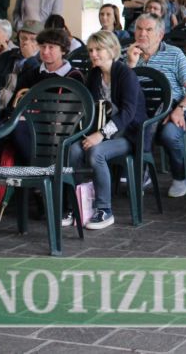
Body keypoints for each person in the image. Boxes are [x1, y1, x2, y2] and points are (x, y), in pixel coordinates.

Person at [66, 31, 145, 229]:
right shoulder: (95, 74)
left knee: (96, 153)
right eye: (91, 50)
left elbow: (128, 114)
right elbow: (90, 108)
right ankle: (77, 205)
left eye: (98, 49)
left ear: (111, 50)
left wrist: (100, 134)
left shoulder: (126, 74)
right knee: (73, 150)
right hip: (101, 130)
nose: (93, 54)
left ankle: (104, 210)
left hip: (128, 133)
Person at [124, 14, 186, 198]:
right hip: (138, 111)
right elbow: (120, 91)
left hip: (170, 109)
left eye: (148, 30)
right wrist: (130, 65)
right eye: (139, 29)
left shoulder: (174, 54)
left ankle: (179, 176)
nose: (142, 33)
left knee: (169, 135)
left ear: (160, 35)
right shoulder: (127, 54)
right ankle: (136, 173)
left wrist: (180, 109)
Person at [0, 20, 43, 110]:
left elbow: (37, 87)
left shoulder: (44, 62)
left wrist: (30, 58)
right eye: (23, 38)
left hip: (23, 109)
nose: (26, 42)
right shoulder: (6, 56)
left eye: (33, 39)